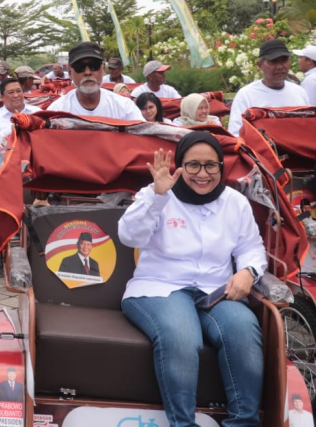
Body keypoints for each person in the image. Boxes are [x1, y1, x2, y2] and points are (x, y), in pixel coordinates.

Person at [118, 132, 266, 427]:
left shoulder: (235, 202)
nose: (202, 174)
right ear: (180, 166)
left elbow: (251, 248)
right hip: (160, 286)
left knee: (243, 329)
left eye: (210, 165)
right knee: (182, 337)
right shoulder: (158, 194)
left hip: (216, 289)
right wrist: (157, 196)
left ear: (221, 166)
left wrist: (248, 271)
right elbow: (129, 236)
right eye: (193, 165)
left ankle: (243, 423)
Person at [227, 39, 310, 135]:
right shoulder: (246, 95)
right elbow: (236, 134)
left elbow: (309, 127)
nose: (280, 67)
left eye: (284, 60)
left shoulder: (299, 92)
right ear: (260, 65)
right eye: (273, 61)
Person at [48, 43, 144, 121]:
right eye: (79, 67)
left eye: (94, 66)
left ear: (103, 69)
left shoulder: (125, 108)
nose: (87, 72)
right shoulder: (56, 112)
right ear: (70, 73)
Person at [0, 79, 41, 147]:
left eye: (19, 91)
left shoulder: (36, 112)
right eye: (11, 92)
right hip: (8, 152)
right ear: (2, 97)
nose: (16, 95)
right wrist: (12, 129)